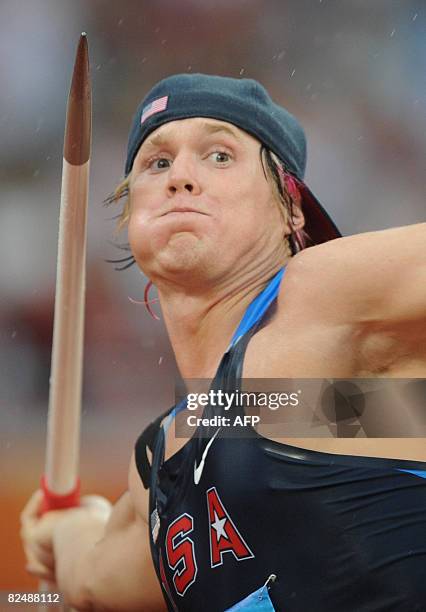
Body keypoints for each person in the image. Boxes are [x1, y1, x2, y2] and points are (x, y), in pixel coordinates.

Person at [21, 74, 426, 611]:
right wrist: (63, 523)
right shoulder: (166, 462)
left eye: (219, 156)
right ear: (128, 220)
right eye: (157, 162)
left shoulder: (323, 307)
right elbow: (93, 579)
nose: (180, 177)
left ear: (292, 208)